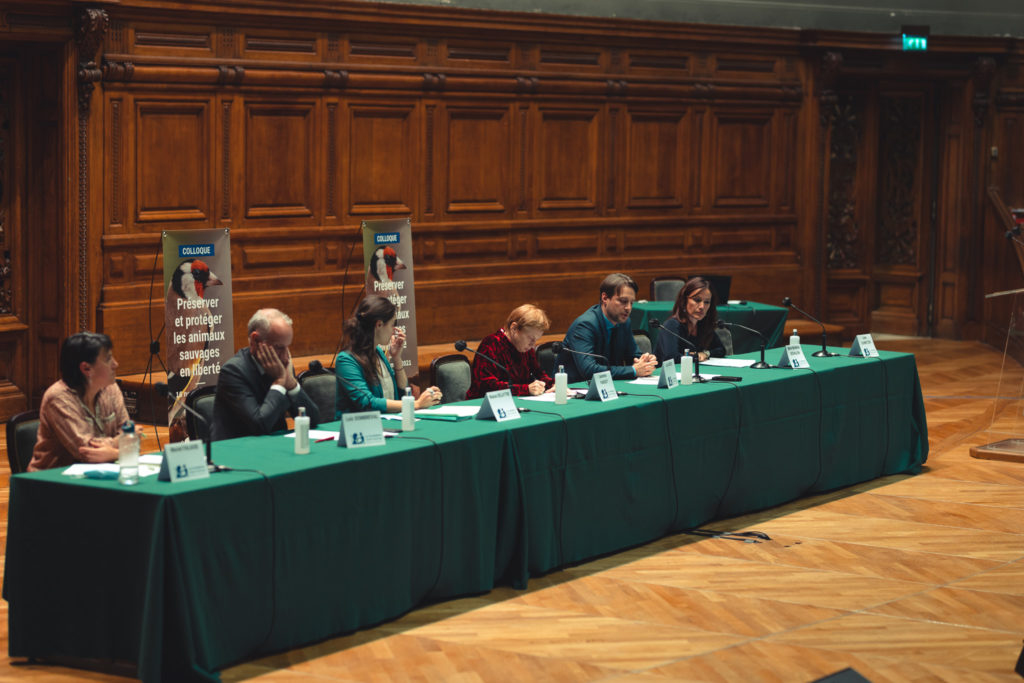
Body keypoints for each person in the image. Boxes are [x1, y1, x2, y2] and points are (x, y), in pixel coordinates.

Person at [211, 308, 320, 441]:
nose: (286, 357)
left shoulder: (283, 366)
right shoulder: (233, 371)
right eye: (279, 347)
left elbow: (313, 420)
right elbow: (259, 426)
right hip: (236, 451)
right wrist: (280, 382)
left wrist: (291, 384)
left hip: (275, 447)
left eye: (288, 347)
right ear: (255, 341)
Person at [29, 332, 131, 471]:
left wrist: (112, 452)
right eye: (108, 359)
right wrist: (120, 448)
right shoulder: (58, 398)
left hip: (101, 474)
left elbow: (130, 435)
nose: (115, 364)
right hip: (53, 483)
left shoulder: (110, 388)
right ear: (86, 368)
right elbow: (86, 452)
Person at [336, 295, 442, 417]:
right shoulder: (346, 360)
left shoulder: (379, 353)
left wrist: (396, 358)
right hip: (357, 431)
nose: (394, 330)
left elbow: (402, 392)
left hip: (387, 424)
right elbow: (367, 403)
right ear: (379, 325)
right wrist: (416, 404)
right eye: (392, 324)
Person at [556, 272, 657, 382]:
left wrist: (645, 361)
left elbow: (634, 355)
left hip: (609, 387)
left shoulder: (624, 322)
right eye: (623, 301)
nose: (628, 308)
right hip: (575, 390)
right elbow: (589, 370)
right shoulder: (585, 325)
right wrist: (633, 370)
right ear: (605, 298)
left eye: (631, 303)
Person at [466, 304, 554, 398]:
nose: (533, 344)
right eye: (530, 338)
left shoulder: (525, 348)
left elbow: (539, 373)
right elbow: (486, 386)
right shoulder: (491, 344)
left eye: (536, 339)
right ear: (514, 328)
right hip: (481, 404)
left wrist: (553, 384)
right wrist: (525, 389)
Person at [653, 276, 726, 365]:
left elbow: (721, 350)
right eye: (697, 300)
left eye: (707, 302)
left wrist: (705, 354)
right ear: (684, 301)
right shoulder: (672, 325)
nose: (702, 306)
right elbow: (671, 357)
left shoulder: (702, 325)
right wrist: (696, 356)